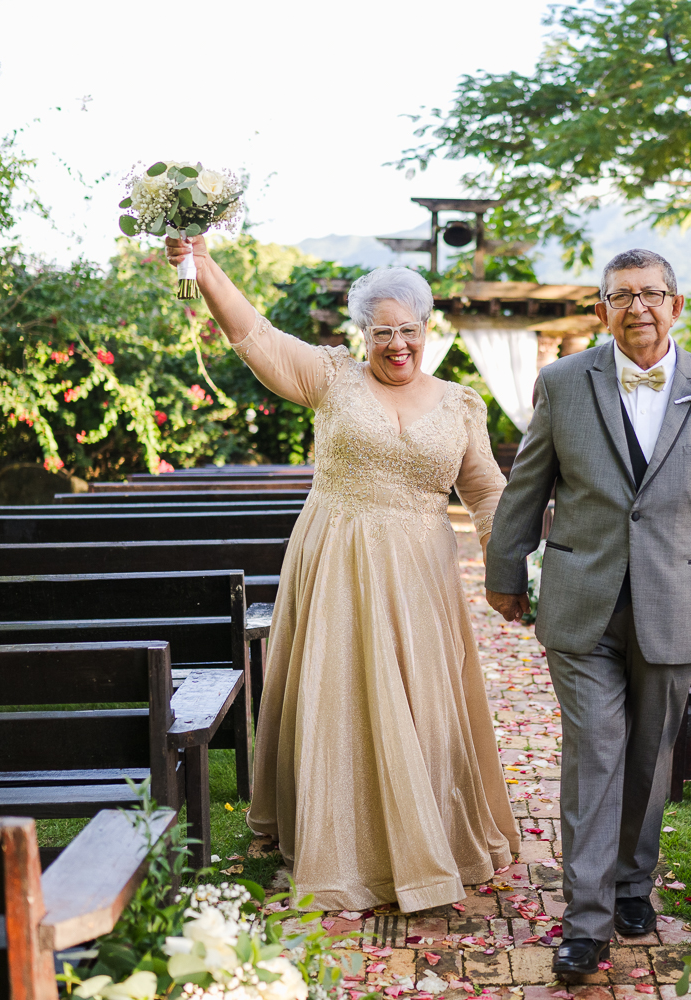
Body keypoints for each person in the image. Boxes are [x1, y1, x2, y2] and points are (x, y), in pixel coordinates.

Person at [164, 236, 517, 912]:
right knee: (344, 696)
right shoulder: (329, 377)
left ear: (426, 329)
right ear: (362, 333)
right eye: (382, 331)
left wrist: (509, 571)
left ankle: (426, 838)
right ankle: (342, 845)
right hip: (339, 565)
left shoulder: (460, 405)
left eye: (407, 331)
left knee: (420, 705)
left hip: (421, 577)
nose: (396, 345)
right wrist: (204, 268)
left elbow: (489, 493)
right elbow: (252, 332)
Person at [484, 248, 691, 976]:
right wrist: (504, 569)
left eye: (651, 294)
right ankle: (587, 921)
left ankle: (634, 883)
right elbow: (527, 484)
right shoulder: (564, 383)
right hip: (582, 602)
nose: (637, 307)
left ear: (676, 304)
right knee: (597, 754)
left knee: (650, 754)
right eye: (621, 296)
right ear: (601, 309)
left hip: (678, 603)